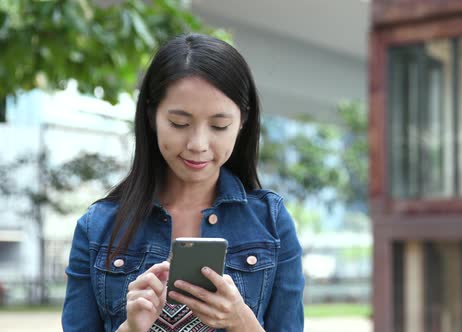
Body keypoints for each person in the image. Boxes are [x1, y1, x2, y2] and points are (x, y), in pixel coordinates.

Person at [61, 33, 305, 332]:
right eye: (179, 123)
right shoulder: (97, 228)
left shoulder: (271, 222)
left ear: (242, 121)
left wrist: (241, 320)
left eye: (219, 125)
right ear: (151, 116)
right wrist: (131, 329)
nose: (198, 144)